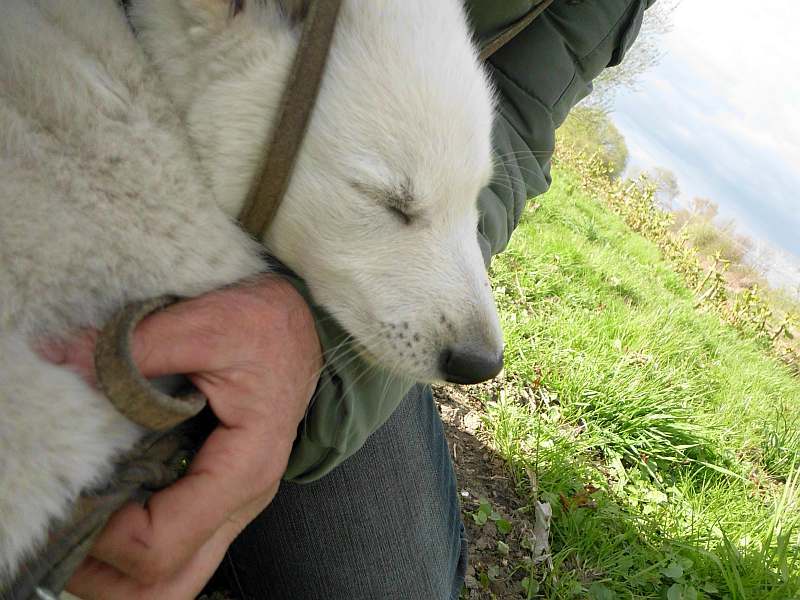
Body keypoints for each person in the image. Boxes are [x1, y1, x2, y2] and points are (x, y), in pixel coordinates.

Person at [52, 1, 654, 598]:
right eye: (394, 205)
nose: (480, 339)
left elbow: (518, 109)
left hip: (295, 282)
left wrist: (304, 340)